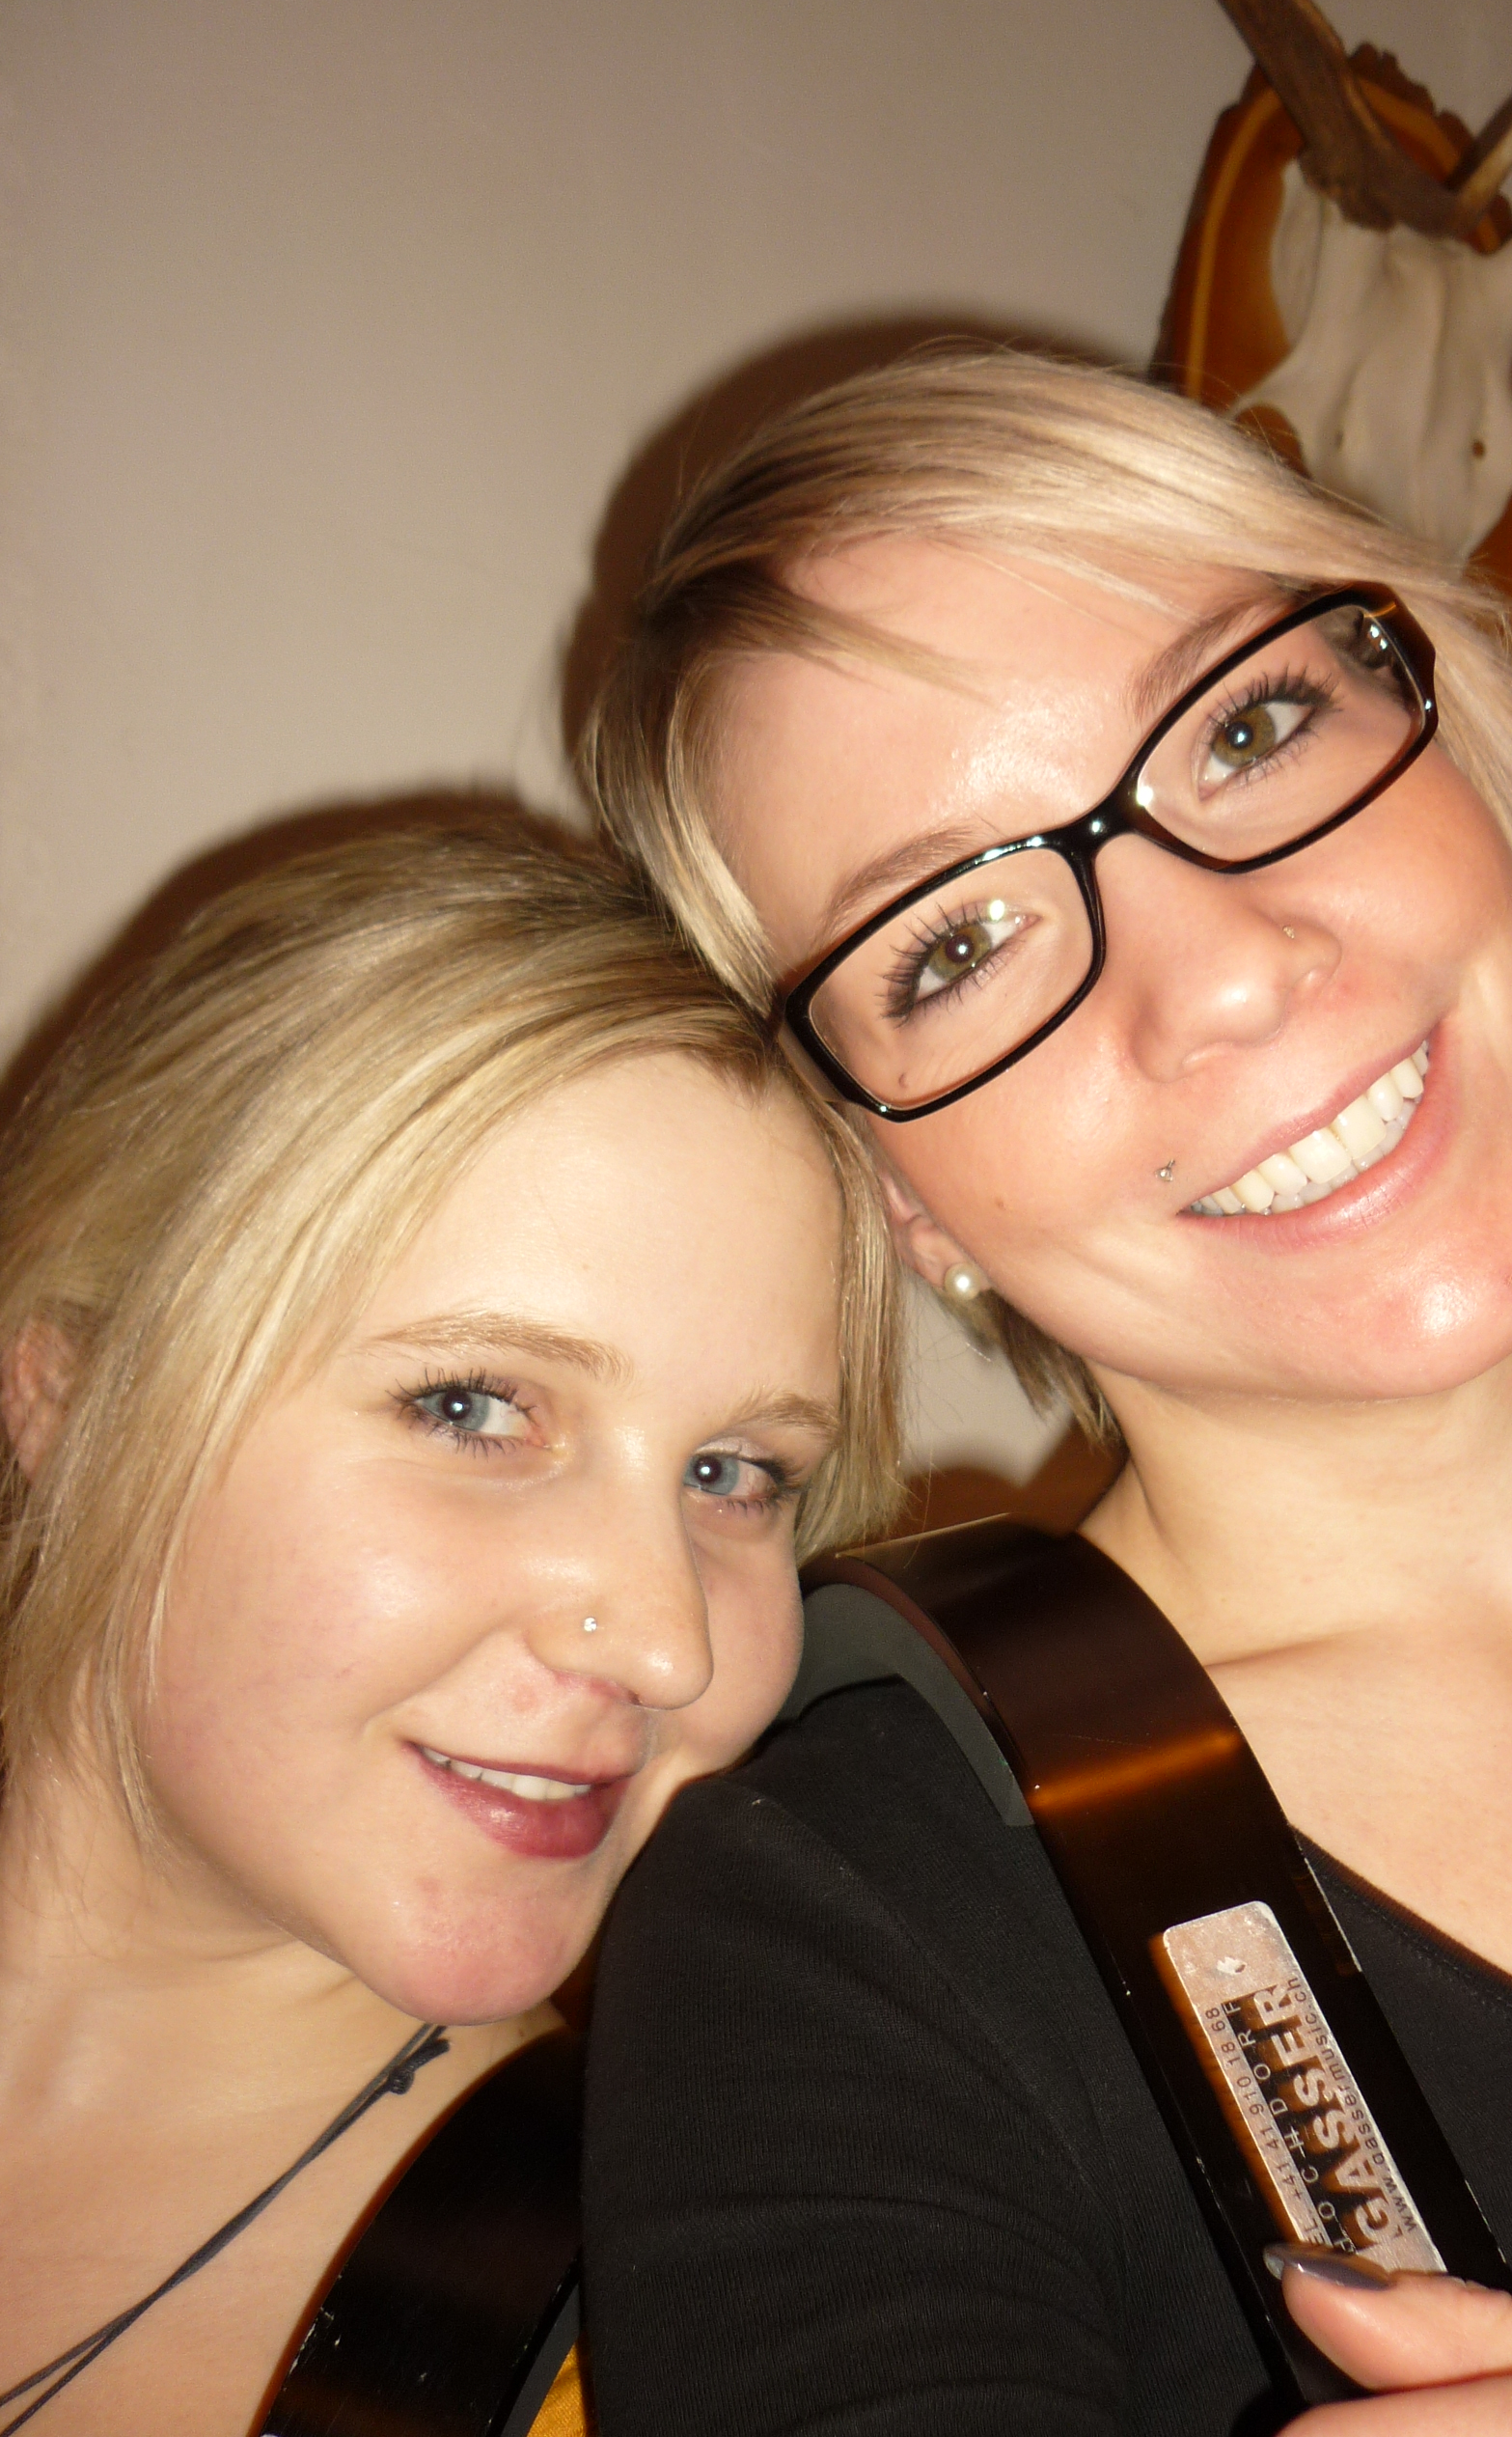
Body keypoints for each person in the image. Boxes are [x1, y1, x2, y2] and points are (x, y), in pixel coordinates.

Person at [580, 352, 1512, 2433]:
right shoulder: (837, 1935)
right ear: (898, 1195)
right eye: (954, 945)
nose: (1233, 974)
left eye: (1247, 727)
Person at [0, 813, 900, 2436]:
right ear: (65, 1397)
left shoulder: (709, 2336)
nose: (667, 1646)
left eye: (735, 1473)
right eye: (476, 1406)